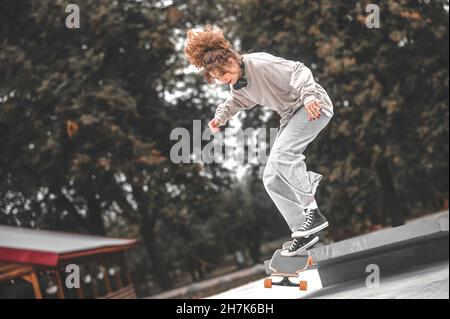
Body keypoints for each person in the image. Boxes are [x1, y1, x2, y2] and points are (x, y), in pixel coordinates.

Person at [184, 25, 334, 256]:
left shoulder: (260, 63)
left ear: (232, 59)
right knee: (271, 177)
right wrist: (220, 116)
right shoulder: (238, 84)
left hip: (312, 106)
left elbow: (298, 70)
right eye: (218, 78)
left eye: (224, 74)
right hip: (290, 116)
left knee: (284, 155)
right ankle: (304, 232)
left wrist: (309, 96)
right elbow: (235, 102)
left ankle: (312, 211)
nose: (225, 80)